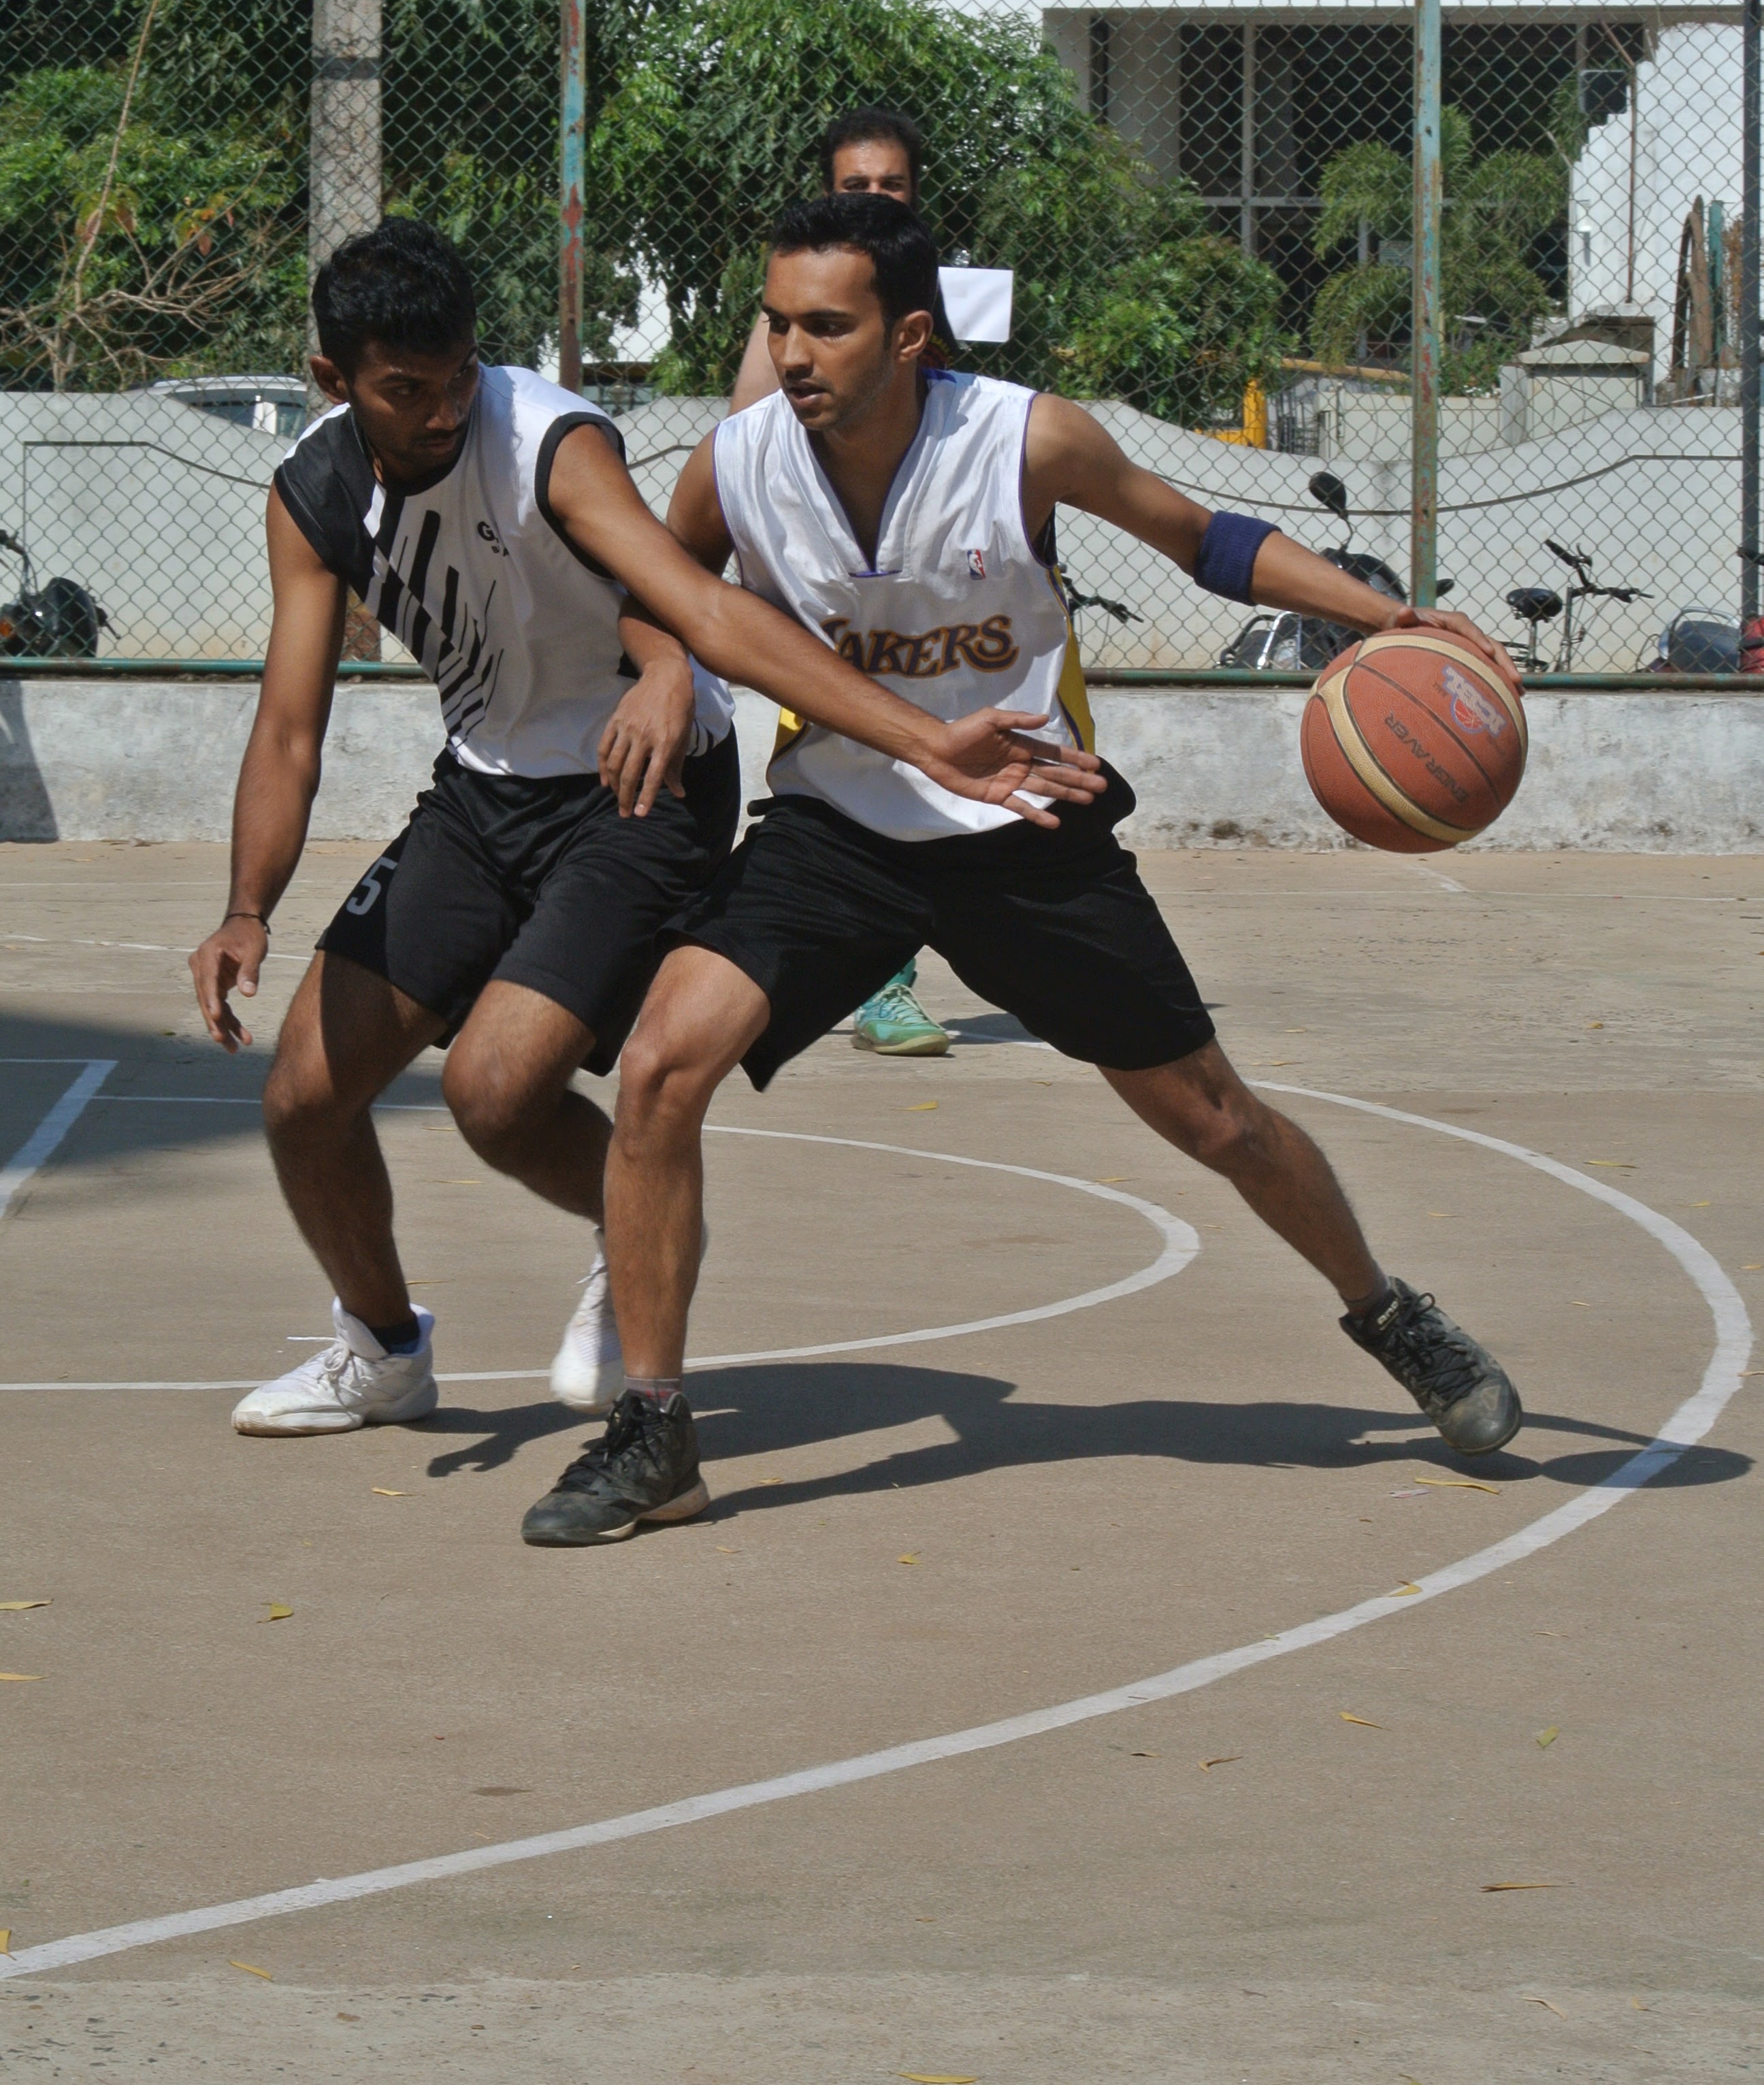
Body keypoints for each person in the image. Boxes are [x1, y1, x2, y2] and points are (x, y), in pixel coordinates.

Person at [517, 192, 1527, 1547]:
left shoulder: (1024, 438)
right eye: (778, 323)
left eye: (827, 326)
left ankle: (1391, 1313)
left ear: (909, 335)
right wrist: (655, 671)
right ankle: (656, 1432)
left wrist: (1385, 615)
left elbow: (1203, 538)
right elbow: (658, 589)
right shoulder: (738, 461)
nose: (793, 352)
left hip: (1027, 823)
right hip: (840, 827)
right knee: (657, 1067)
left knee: (1218, 1122)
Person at [189, 218, 1102, 1443]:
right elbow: (291, 726)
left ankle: (642, 1228)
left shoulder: (548, 443)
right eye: (407, 390)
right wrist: (247, 906)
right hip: (485, 788)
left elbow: (694, 600)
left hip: (644, 785)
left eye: (458, 375)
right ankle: (383, 1349)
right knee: (304, 1098)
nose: (444, 410)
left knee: (495, 1093)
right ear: (333, 379)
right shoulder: (315, 493)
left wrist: (877, 726)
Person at [732, 105, 954, 1060]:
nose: (873, 196)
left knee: (960, 779)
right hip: (838, 603)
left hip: (946, 596)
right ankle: (880, 984)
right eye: (854, 185)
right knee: (856, 779)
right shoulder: (799, 321)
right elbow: (748, 438)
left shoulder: (933, 305)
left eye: (890, 184)